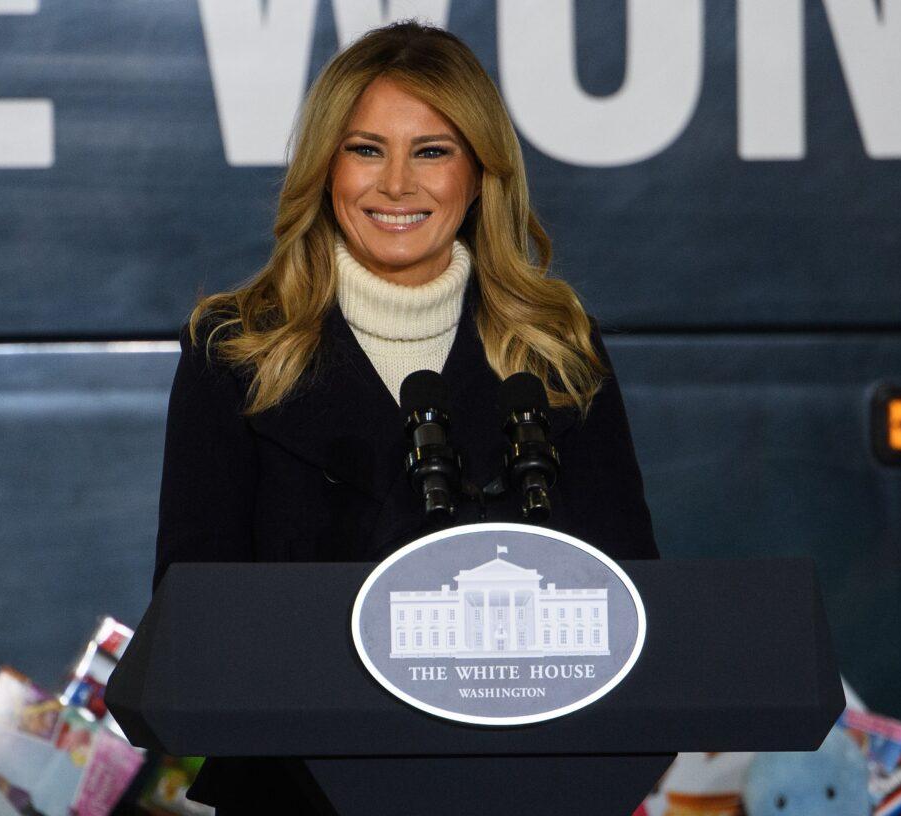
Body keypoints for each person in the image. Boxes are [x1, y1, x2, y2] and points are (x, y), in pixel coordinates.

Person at [153, 21, 659, 813]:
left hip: (518, 786)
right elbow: (193, 614)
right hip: (296, 795)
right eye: (365, 149)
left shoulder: (557, 348)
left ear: (480, 173)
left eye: (431, 151)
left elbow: (628, 601)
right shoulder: (235, 350)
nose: (396, 184)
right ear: (324, 169)